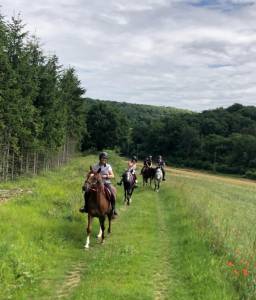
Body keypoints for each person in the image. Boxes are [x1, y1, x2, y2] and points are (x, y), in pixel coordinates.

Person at [79, 152, 118, 216]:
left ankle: (113, 209)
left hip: (106, 183)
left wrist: (106, 176)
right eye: (103, 158)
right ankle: (86, 207)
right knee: (86, 192)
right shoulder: (95, 166)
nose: (104, 160)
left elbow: (112, 175)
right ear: (100, 158)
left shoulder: (108, 166)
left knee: (112, 192)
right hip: (96, 183)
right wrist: (90, 174)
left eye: (105, 158)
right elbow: (88, 174)